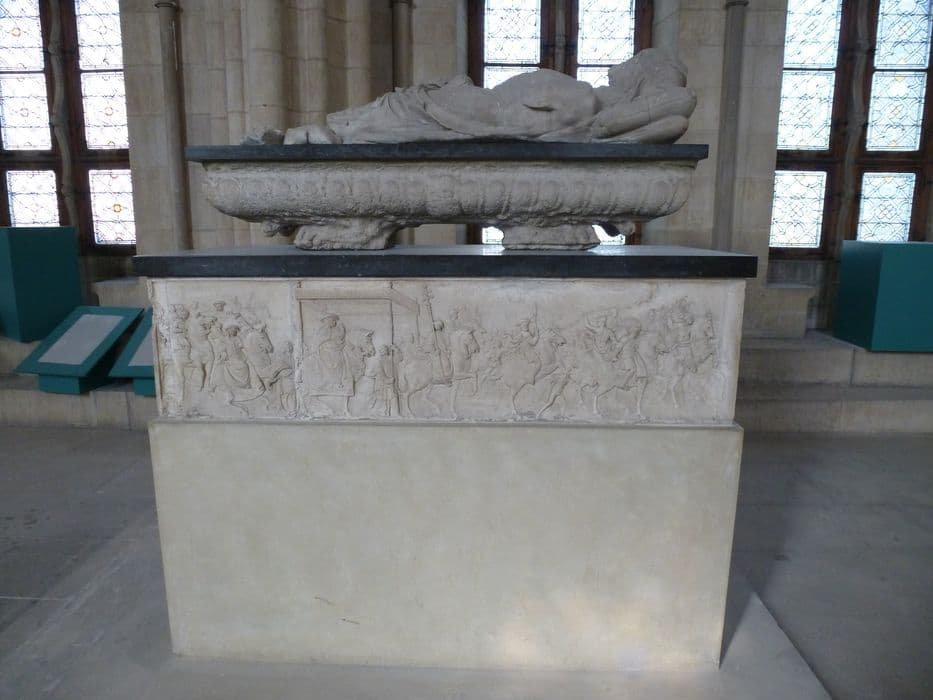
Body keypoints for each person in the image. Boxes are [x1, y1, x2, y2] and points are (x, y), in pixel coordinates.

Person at [284, 49, 694, 145]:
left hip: (476, 112)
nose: (618, 67)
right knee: (401, 107)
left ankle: (324, 135)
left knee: (404, 107)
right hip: (478, 105)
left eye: (631, 64)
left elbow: (674, 113)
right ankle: (325, 134)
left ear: (636, 81)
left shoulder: (584, 104)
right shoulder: (584, 102)